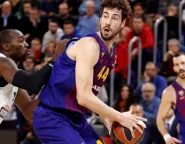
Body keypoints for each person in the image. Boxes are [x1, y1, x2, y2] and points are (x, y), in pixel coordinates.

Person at [33, 0, 147, 143]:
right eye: (105, 16)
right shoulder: (89, 46)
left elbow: (91, 92)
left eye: (115, 18)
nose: (108, 22)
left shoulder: (112, 56)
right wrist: (119, 116)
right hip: (52, 117)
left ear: (123, 23)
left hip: (77, 119)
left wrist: (107, 119)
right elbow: (84, 97)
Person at [157, 53, 185, 144]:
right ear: (174, 69)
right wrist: (166, 136)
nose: (181, 67)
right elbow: (160, 118)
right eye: (177, 65)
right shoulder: (170, 92)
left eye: (183, 63)